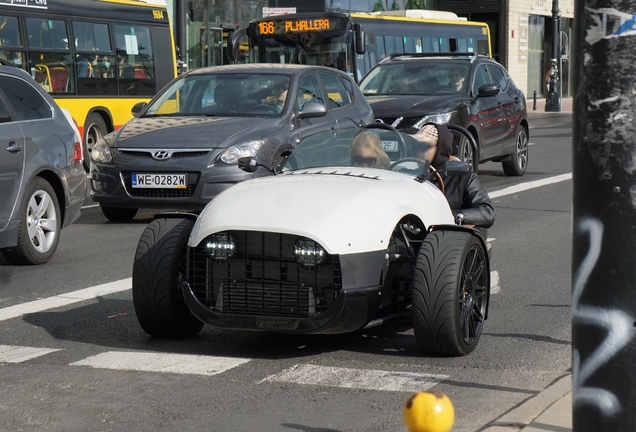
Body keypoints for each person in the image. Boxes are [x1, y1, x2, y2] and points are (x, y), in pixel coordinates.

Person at [412, 123, 495, 228]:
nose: (418, 151)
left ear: (440, 148)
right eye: (415, 145)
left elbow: (487, 213)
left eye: (424, 146)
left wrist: (455, 217)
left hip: (448, 236)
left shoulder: (463, 177)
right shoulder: (406, 173)